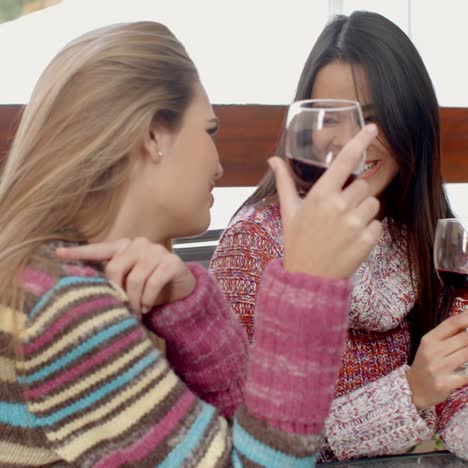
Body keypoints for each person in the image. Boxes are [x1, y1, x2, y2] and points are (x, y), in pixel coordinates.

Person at [0, 21, 384, 467]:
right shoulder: (66, 308)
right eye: (210, 130)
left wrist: (193, 314)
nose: (219, 166)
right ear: (153, 135)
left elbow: (237, 442)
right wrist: (306, 287)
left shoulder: (43, 281)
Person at [210, 11, 468, 462]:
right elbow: (245, 443)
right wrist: (409, 392)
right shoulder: (255, 244)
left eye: (373, 118)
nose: (351, 144)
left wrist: (437, 390)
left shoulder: (420, 234)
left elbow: (454, 393)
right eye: (331, 119)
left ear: (413, 123)